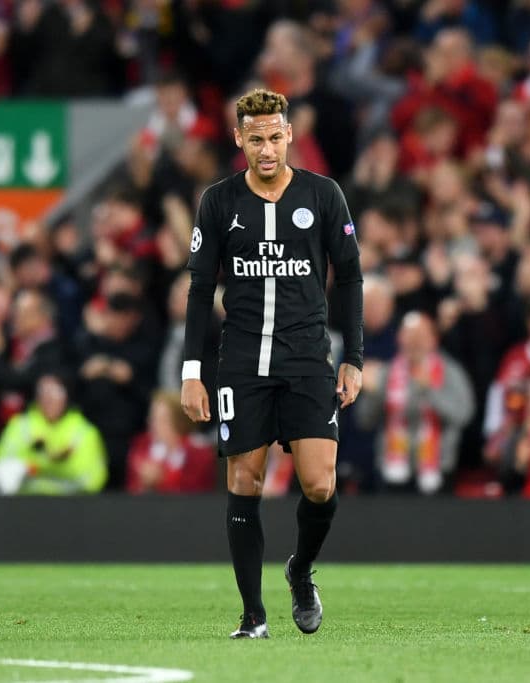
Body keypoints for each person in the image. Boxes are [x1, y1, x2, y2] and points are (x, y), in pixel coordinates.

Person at [180, 89, 363, 639]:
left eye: (275, 137)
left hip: (308, 358)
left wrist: (353, 359)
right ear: (239, 139)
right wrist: (192, 372)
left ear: (289, 136)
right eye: (255, 139)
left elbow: (350, 278)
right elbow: (198, 287)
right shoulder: (218, 201)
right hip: (241, 361)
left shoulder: (323, 195)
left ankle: (301, 569)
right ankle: (253, 617)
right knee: (245, 477)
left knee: (320, 484)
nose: (266, 149)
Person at [355, 311, 474, 494]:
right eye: (410, 336)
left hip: (439, 469)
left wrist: (431, 391)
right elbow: (364, 421)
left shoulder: (450, 372)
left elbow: (463, 415)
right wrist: (374, 393)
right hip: (392, 471)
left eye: (421, 337)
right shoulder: (386, 372)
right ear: (399, 339)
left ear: (433, 339)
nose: (415, 343)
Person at [0, 372, 107, 495]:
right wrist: (56, 464)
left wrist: (34, 465)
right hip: (24, 505)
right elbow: (1, 463)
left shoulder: (84, 432)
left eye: (56, 392)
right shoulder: (20, 425)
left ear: (67, 396)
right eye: (43, 392)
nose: (49, 399)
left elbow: (93, 479)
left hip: (72, 507)